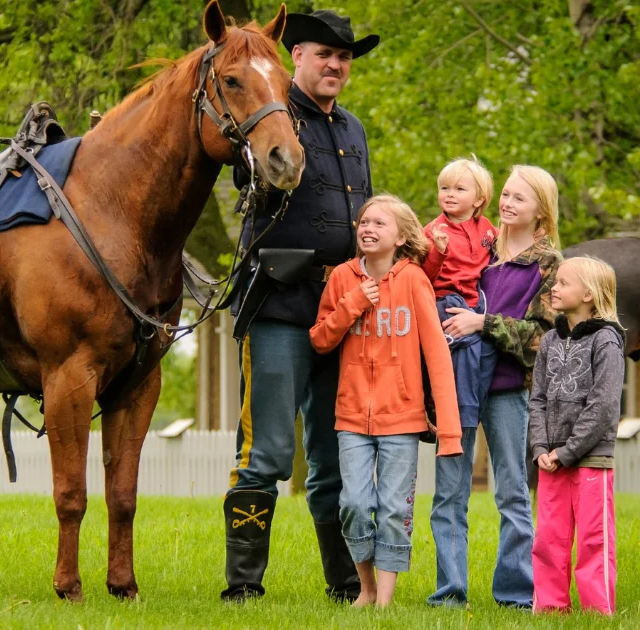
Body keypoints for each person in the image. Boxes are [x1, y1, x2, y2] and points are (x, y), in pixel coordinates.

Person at [222, 9, 379, 603]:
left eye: (345, 57)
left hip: (344, 308)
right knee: (267, 452)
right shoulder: (270, 115)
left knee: (335, 456)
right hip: (280, 307)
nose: (336, 64)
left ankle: (344, 587)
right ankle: (243, 587)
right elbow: (248, 177)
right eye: (324, 54)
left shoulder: (355, 129)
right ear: (298, 57)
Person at [308, 195, 463, 608]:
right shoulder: (342, 277)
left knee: (394, 508)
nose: (368, 228)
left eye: (378, 223)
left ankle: (385, 599)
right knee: (355, 503)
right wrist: (354, 302)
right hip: (351, 418)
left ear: (401, 237)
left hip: (403, 419)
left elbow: (437, 355)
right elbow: (320, 339)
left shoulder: (414, 280)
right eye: (363, 222)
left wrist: (449, 431)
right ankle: (367, 587)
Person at [429, 165, 563, 609]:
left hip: (508, 387)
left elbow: (543, 339)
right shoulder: (483, 249)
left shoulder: (549, 264)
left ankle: (514, 594)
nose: (507, 204)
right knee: (450, 491)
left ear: (541, 212)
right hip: (458, 385)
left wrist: (483, 323)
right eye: (505, 195)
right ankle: (450, 592)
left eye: (518, 199)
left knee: (511, 492)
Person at [529, 256, 625, 615]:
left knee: (592, 538)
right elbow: (536, 398)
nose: (554, 287)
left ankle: (597, 610)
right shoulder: (551, 340)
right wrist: (540, 446)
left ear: (588, 293)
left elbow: (602, 407)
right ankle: (551, 606)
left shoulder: (606, 342)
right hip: (550, 460)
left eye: (563, 283)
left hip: (590, 460)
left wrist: (567, 451)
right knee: (548, 539)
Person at [422, 157, 500, 428]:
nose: (449, 194)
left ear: (479, 199)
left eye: (458, 189)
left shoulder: (488, 230)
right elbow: (424, 276)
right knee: (464, 348)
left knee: (486, 348)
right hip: (444, 300)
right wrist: (438, 251)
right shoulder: (433, 231)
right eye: (444, 188)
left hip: (475, 302)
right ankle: (457, 411)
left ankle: (473, 404)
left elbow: (502, 253)